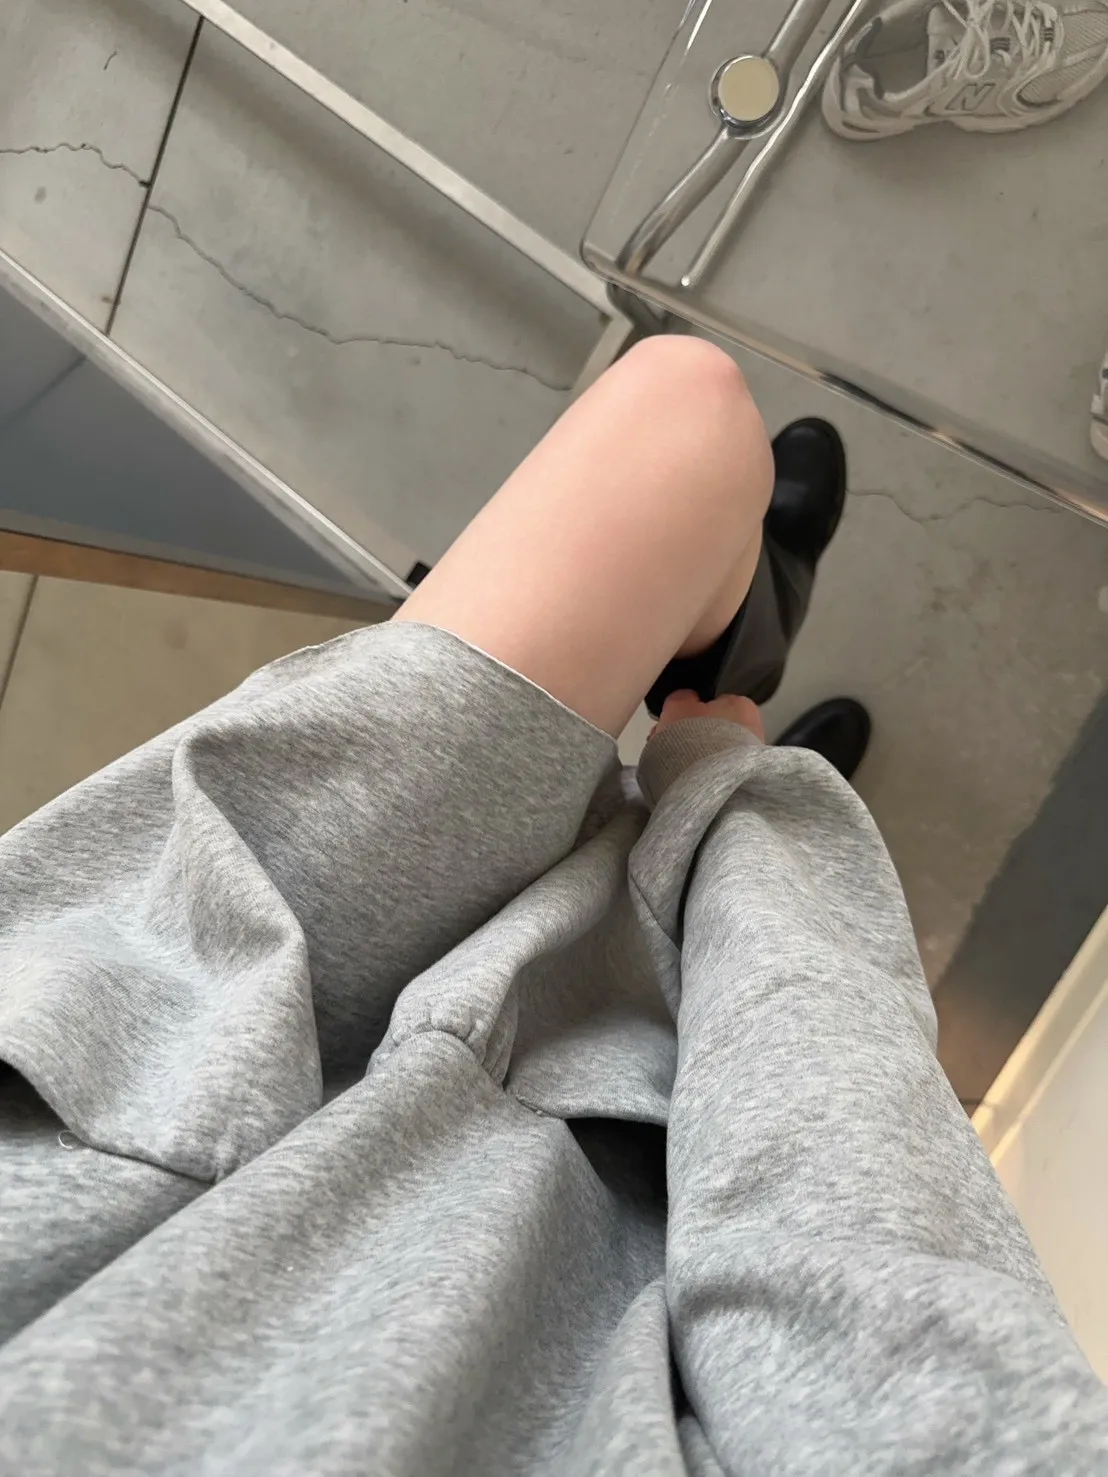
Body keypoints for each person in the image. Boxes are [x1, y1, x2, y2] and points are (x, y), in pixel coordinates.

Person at [0, 337, 1104, 1474]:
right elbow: (874, 1336)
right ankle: (713, 764)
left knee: (683, 419)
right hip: (587, 1242)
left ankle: (722, 711)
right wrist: (744, 811)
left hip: (151, 1067)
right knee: (731, 944)